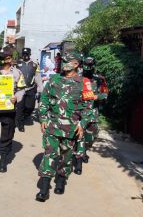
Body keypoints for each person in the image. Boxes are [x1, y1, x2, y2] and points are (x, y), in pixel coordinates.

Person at [35, 52, 89, 202]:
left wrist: (82, 124)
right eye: (63, 60)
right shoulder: (54, 79)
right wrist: (43, 118)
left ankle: (61, 179)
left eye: (67, 61)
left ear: (76, 64)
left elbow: (88, 107)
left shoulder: (84, 82)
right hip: (52, 125)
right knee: (49, 154)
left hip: (71, 128)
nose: (64, 62)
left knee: (66, 155)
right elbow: (44, 99)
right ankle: (44, 190)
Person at [73, 57, 109, 175]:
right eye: (86, 66)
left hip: (92, 112)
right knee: (79, 135)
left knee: (91, 136)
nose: (88, 69)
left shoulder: (99, 80)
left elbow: (105, 93)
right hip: (78, 112)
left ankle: (82, 150)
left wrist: (97, 97)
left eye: (90, 66)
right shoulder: (76, 78)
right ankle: (78, 161)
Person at [15, 48, 42, 132]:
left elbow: (38, 76)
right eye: (24, 54)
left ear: (30, 55)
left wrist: (40, 89)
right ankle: (20, 124)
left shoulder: (34, 64)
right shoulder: (17, 63)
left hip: (31, 89)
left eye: (27, 54)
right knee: (20, 108)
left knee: (30, 107)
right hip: (20, 89)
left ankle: (25, 115)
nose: (25, 56)